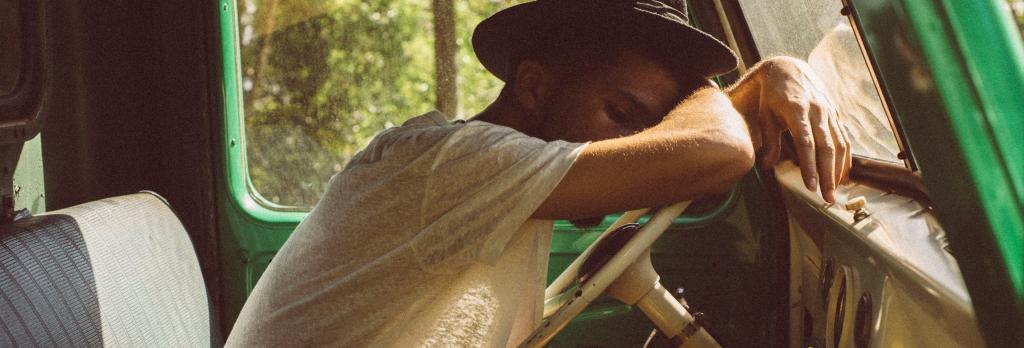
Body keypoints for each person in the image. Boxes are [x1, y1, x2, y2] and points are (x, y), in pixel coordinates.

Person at [226, 0, 850, 347]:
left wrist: (771, 77)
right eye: (622, 113)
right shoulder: (447, 162)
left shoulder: (503, 183)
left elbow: (700, 144)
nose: (639, 148)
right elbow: (718, 152)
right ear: (533, 84)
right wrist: (763, 74)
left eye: (652, 126)